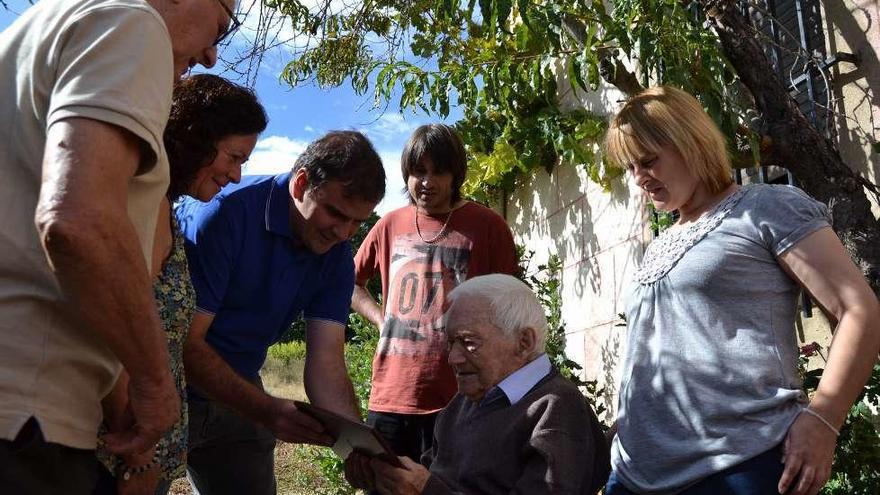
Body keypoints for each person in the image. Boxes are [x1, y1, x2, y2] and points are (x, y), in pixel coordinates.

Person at [0, 1, 236, 493]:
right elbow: (79, 220)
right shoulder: (134, 22)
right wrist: (155, 383)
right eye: (219, 26)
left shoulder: (38, 29)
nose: (213, 55)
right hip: (28, 422)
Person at [602, 86, 880, 495]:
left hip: (737, 466)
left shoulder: (766, 208)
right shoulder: (659, 243)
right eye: (630, 167)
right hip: (633, 475)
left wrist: (824, 419)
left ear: (690, 142)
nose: (639, 177)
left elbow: (860, 309)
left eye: (648, 161)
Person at [176, 130, 386, 495]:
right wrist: (266, 411)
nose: (343, 232)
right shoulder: (226, 213)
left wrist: (357, 447)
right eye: (335, 213)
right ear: (301, 183)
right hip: (164, 380)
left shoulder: (336, 255)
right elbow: (182, 344)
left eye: (356, 222)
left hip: (239, 386)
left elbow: (327, 363)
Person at [94, 74, 267, 495]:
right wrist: (137, 455)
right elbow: (113, 331)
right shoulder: (143, 202)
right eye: (233, 157)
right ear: (196, 138)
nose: (237, 175)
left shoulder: (165, 210)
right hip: (114, 456)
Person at [346, 274, 610, 494]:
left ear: (524, 342)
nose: (453, 358)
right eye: (451, 343)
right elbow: (432, 475)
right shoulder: (461, 404)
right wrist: (383, 477)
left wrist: (425, 490)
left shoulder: (556, 409)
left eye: (469, 342)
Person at [351, 124, 518, 462]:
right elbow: (349, 284)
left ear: (456, 174)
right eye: (417, 171)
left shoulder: (487, 226)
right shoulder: (389, 224)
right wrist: (382, 320)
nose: (426, 182)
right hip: (391, 395)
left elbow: (510, 305)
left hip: (461, 398)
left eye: (438, 171)